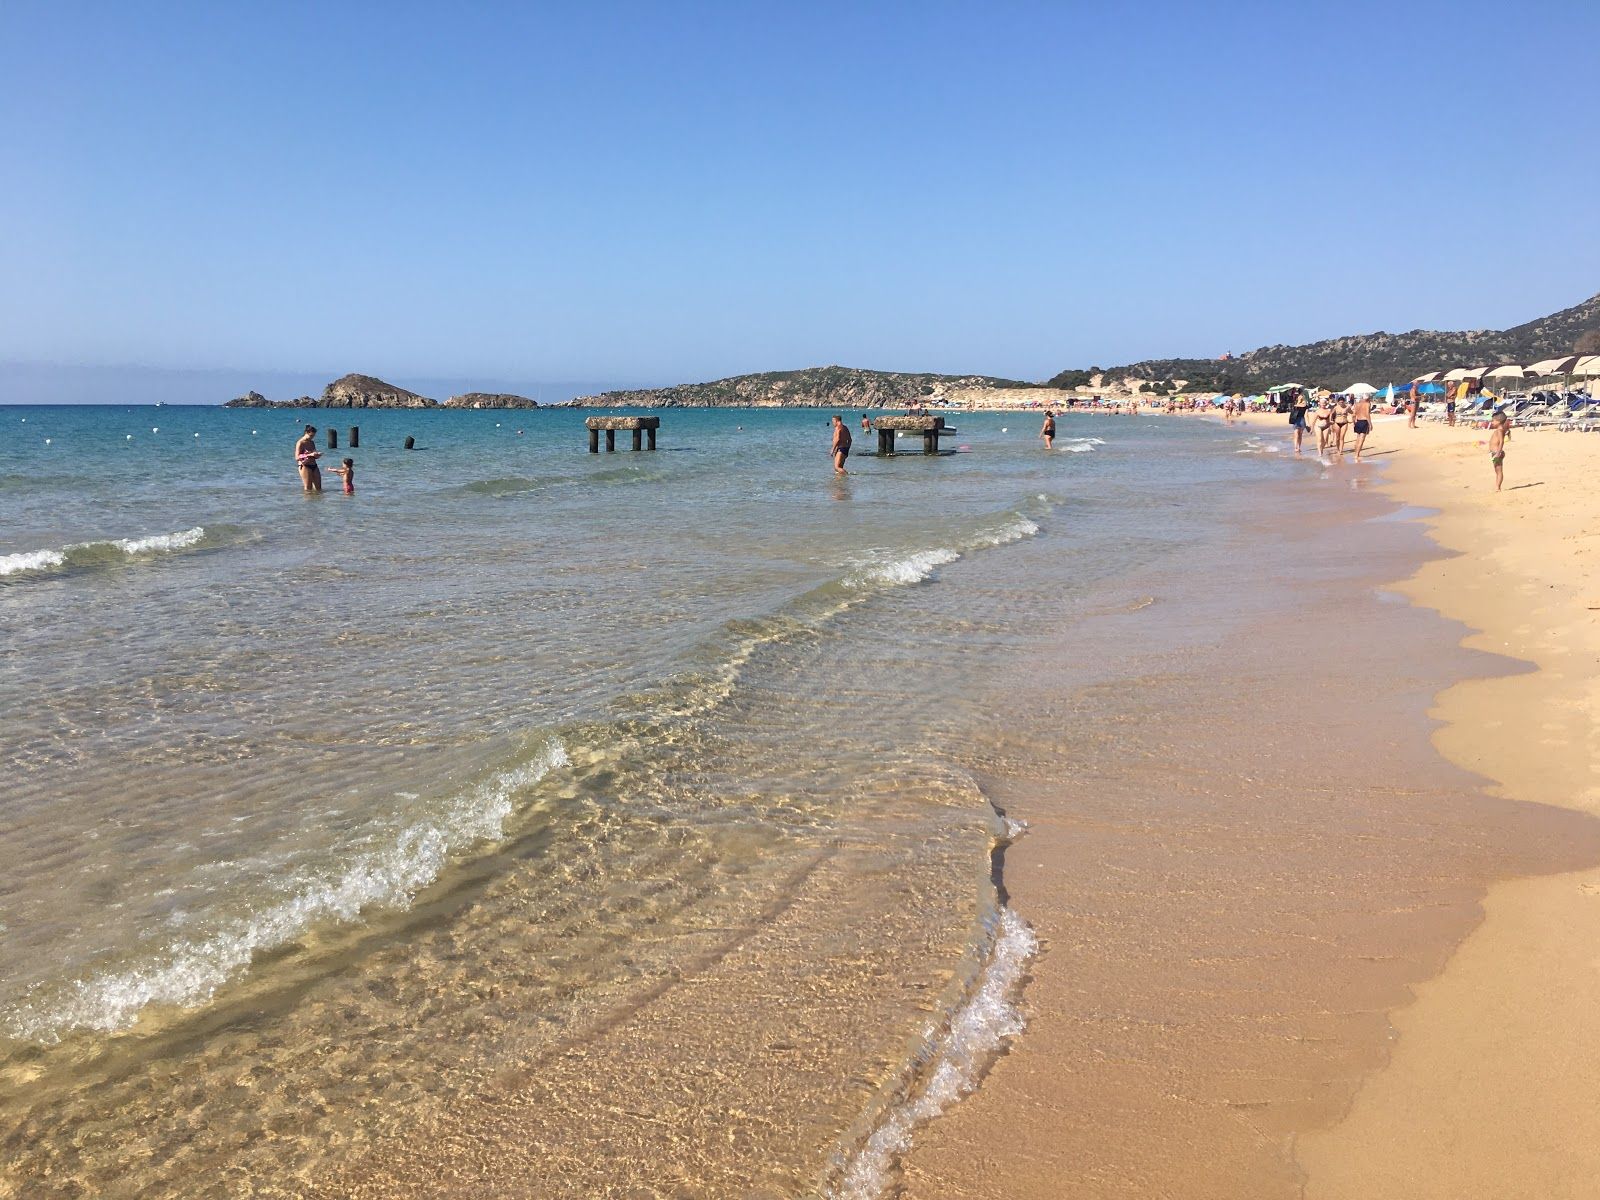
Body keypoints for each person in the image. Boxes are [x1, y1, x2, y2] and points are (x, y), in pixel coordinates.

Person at [294, 425, 322, 492]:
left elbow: (313, 453)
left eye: (313, 436)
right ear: (306, 433)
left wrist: (317, 455)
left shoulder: (311, 442)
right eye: (311, 436)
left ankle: (317, 502)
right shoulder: (300, 442)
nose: (312, 438)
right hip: (305, 466)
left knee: (319, 488)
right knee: (308, 488)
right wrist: (309, 454)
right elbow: (297, 457)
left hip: (314, 465)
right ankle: (307, 501)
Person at [1488, 412, 1507, 491]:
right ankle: (1497, 486)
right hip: (1495, 452)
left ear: (1498, 421)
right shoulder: (1500, 429)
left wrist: (1498, 453)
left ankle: (1498, 487)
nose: (1492, 422)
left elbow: (1502, 441)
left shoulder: (1500, 430)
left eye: (1493, 421)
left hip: (1497, 453)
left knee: (1499, 471)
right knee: (1497, 470)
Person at [1351, 393, 1373, 462]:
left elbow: (1353, 415)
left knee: (1357, 439)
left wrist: (1354, 422)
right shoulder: (1367, 404)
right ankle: (1357, 455)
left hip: (1358, 421)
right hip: (1364, 421)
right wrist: (1370, 424)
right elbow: (1367, 414)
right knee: (1361, 439)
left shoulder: (1356, 404)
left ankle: (1356, 454)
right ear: (1367, 398)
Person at [1289, 389, 1311, 453]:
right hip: (1296, 420)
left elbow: (1306, 415)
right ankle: (1296, 447)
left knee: (1300, 434)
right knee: (1296, 434)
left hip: (1301, 419)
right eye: (1299, 396)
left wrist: (1308, 423)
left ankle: (1298, 447)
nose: (1300, 397)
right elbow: (1293, 411)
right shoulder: (1295, 405)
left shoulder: (1304, 406)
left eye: (1301, 397)